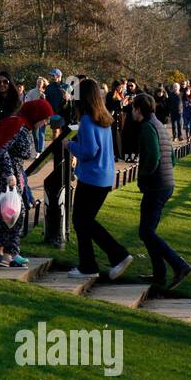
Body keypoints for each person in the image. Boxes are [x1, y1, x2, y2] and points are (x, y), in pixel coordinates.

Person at [67, 78, 133, 282]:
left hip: (91, 177)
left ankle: (117, 254)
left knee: (82, 220)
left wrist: (70, 146)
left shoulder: (87, 120)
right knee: (83, 222)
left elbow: (89, 151)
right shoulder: (104, 118)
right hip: (104, 177)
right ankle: (88, 264)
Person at [130, 93, 191, 292]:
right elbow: (172, 158)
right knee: (148, 232)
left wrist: (143, 178)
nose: (132, 111)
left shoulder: (148, 127)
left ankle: (179, 265)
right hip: (166, 183)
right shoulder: (158, 124)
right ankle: (159, 274)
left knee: (146, 231)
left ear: (139, 109)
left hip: (156, 185)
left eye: (133, 107)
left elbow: (153, 158)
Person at [0, 99, 53, 268]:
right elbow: (1, 149)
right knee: (12, 212)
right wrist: (9, 173)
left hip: (14, 173)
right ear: (36, 114)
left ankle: (10, 252)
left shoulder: (25, 126)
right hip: (3, 173)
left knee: (14, 212)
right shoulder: (18, 124)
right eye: (44, 118)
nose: (46, 122)